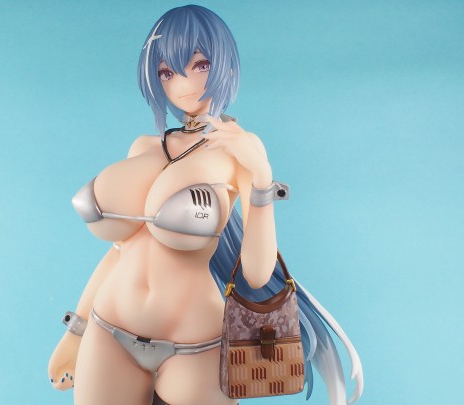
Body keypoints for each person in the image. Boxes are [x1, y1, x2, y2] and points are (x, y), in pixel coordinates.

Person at [48, 5, 363, 405]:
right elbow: (120, 251)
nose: (182, 84)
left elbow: (256, 273)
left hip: (195, 347)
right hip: (109, 331)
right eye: (166, 72)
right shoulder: (143, 147)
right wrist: (75, 331)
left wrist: (261, 178)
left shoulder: (239, 152)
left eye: (199, 65)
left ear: (225, 66)